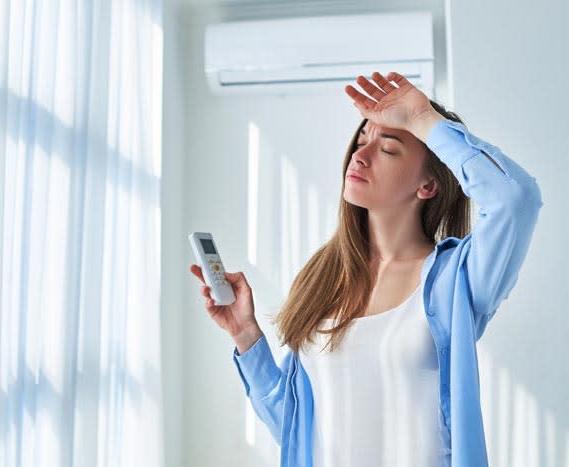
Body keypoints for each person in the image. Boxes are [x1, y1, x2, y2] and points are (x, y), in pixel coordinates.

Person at [189, 71, 542, 467]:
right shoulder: (324, 278)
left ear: (428, 185)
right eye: (361, 141)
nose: (360, 156)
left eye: (388, 149)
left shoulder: (455, 277)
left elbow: (516, 198)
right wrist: (245, 334)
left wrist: (423, 120)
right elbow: (294, 427)